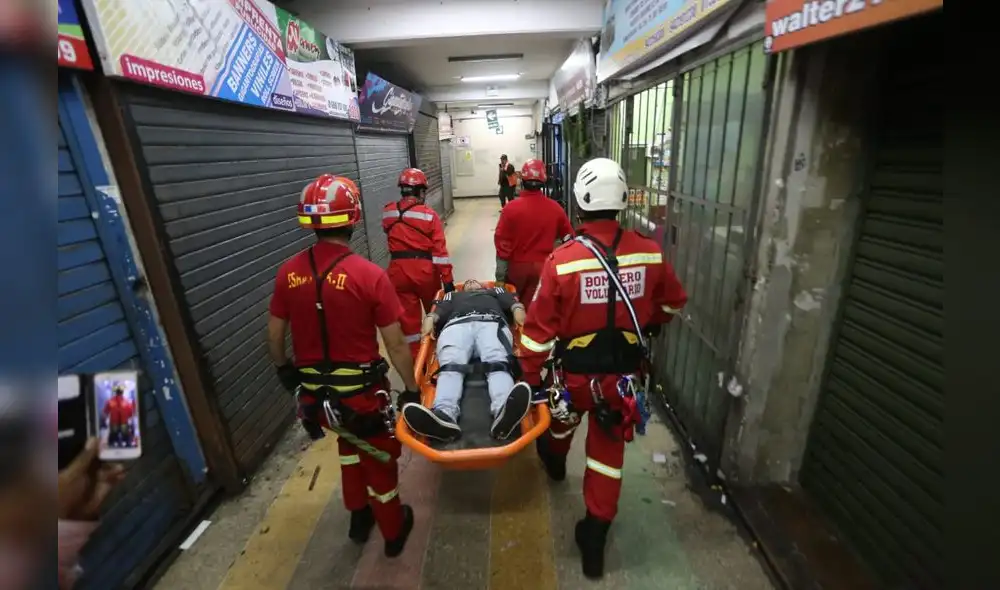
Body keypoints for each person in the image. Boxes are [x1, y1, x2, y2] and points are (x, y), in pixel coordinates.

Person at [518, 158, 688, 579]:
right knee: (607, 456)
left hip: (575, 379)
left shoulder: (562, 261)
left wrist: (528, 378)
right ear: (622, 201)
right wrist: (648, 321)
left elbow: (537, 333)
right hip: (624, 382)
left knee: (560, 425)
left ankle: (554, 461)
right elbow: (672, 304)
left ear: (578, 203)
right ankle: (595, 532)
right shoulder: (650, 253)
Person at [268, 174, 423, 558]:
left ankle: (358, 517)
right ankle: (392, 530)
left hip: (317, 399)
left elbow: (274, 332)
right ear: (353, 217)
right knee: (380, 456)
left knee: (347, 445)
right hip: (363, 397)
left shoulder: (289, 272)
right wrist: (412, 388)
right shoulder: (369, 276)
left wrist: (285, 371)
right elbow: (396, 344)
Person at [401, 280, 532, 442]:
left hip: (491, 321)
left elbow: (510, 300)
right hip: (457, 325)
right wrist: (430, 317)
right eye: (467, 283)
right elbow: (440, 308)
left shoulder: (494, 291)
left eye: (473, 281)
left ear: (482, 286)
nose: (470, 283)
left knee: (497, 360)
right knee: (450, 364)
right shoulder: (453, 295)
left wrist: (518, 308)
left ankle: (504, 409)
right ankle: (444, 416)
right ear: (462, 288)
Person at [382, 168, 455, 357]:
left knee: (409, 325)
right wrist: (447, 280)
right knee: (436, 313)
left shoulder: (388, 212)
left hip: (397, 272)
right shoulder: (429, 215)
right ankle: (442, 354)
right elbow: (440, 252)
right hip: (424, 272)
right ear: (420, 191)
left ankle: (417, 362)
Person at [494, 159, 574, 308]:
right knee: (542, 311)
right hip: (545, 270)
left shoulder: (510, 209)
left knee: (517, 310)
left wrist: (500, 276)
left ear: (522, 181)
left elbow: (501, 242)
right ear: (544, 182)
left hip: (517, 270)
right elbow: (569, 240)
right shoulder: (555, 209)